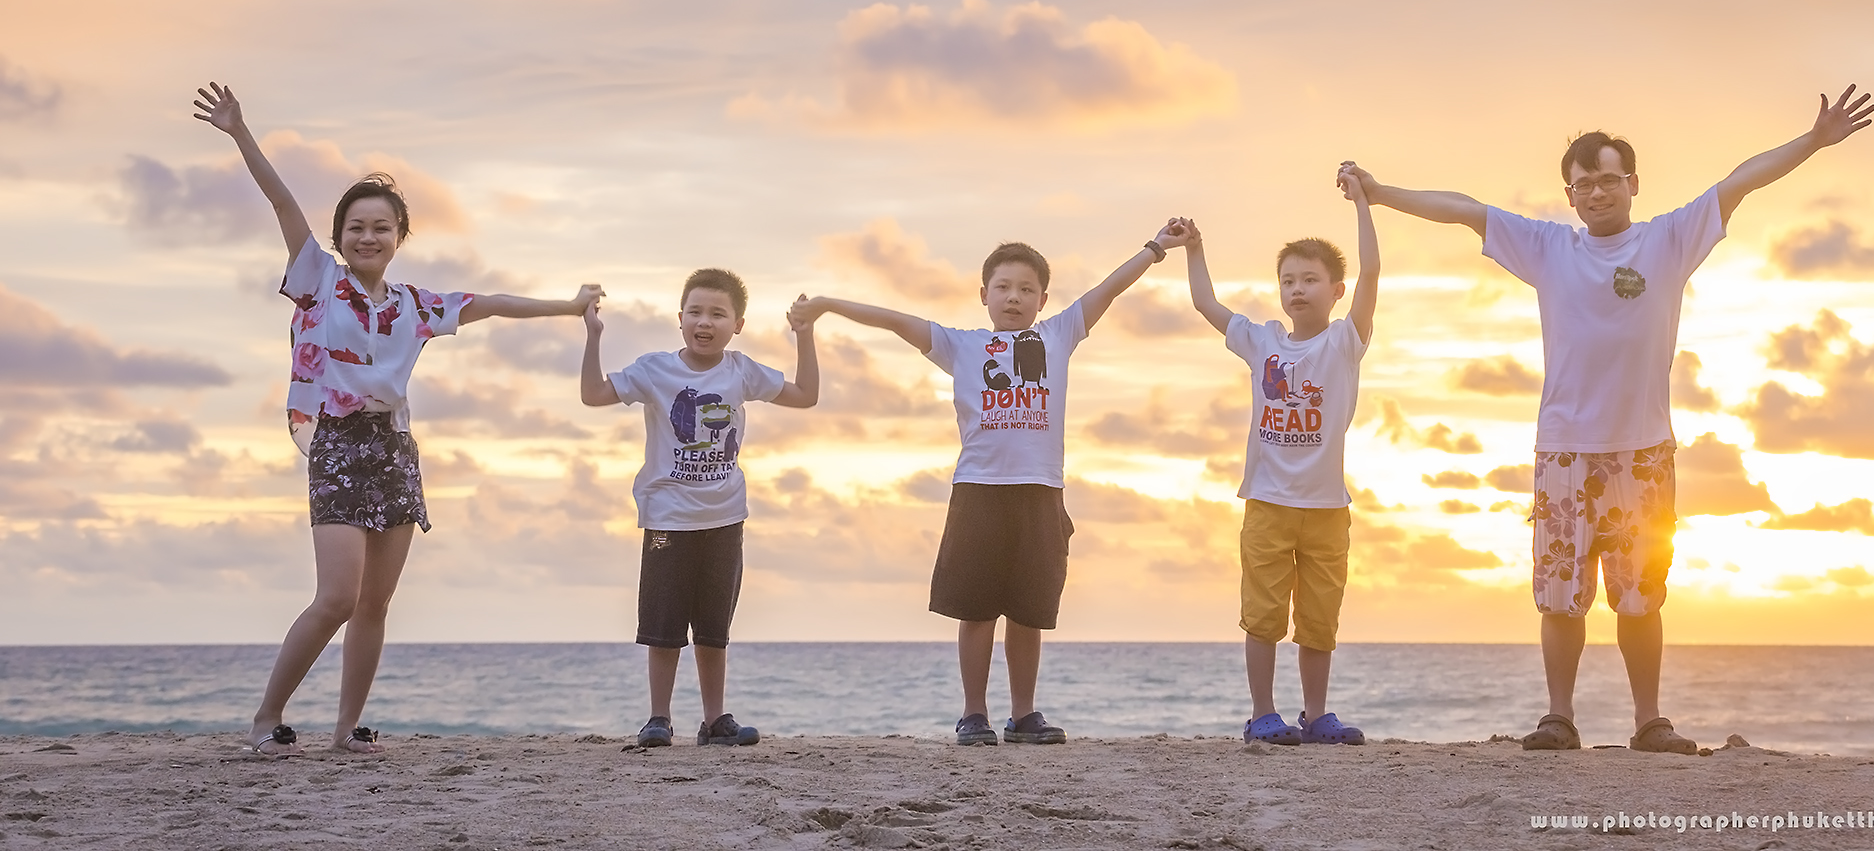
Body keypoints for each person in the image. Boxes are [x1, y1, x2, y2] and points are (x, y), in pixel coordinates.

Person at [1353, 86, 1874, 754]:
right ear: (1568, 194)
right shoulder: (1546, 247)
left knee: (1641, 596)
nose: (1596, 192)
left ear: (1631, 183)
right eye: (1583, 184)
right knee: (1560, 597)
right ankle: (1559, 716)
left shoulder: (1669, 238)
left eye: (1607, 179)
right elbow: (1462, 210)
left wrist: (1812, 141)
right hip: (1566, 449)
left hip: (1644, 452)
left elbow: (1740, 181)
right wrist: (1379, 191)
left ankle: (1648, 721)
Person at [193, 82, 600, 759]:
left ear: (399, 236)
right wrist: (240, 132)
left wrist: (567, 305)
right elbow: (282, 200)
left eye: (382, 226)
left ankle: (348, 728)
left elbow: (490, 303)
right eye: (356, 226)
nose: (368, 235)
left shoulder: (415, 304)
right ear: (339, 237)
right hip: (338, 443)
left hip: (393, 449)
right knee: (336, 597)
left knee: (376, 605)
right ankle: (267, 716)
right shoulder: (318, 280)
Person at [789, 224, 1191, 745]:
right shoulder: (960, 346)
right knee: (975, 608)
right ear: (984, 296)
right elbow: (893, 321)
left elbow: (1110, 287)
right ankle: (973, 714)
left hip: (1040, 491)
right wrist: (825, 305)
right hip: (978, 490)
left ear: (1044, 299)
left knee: (1029, 612)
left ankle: (1023, 715)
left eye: (1026, 289)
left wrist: (1156, 247)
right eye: (1003, 287)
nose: (1014, 297)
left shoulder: (1058, 334)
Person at [1180, 163, 1380, 746]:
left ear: (1334, 291)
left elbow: (1371, 271)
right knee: (1264, 615)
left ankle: (1316, 715)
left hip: (1326, 508)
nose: (1297, 288)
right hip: (1267, 502)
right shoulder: (1261, 339)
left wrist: (1363, 202)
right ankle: (1262, 713)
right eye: (1288, 279)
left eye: (1311, 279)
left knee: (1320, 619)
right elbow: (1203, 302)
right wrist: (1195, 246)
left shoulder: (1345, 341)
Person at [578, 269, 819, 748]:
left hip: (725, 518)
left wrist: (805, 336)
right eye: (695, 312)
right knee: (663, 624)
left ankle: (714, 722)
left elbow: (805, 396)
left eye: (717, 314)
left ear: (738, 324)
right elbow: (593, 394)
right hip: (667, 517)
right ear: (680, 318)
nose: (704, 323)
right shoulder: (655, 370)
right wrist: (593, 335)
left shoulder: (741, 370)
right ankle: (658, 719)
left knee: (714, 627)